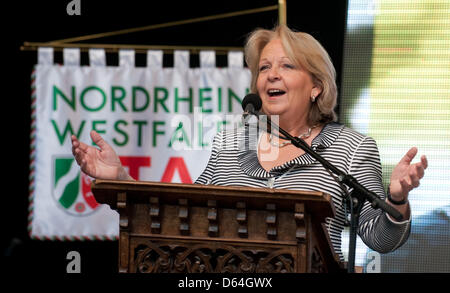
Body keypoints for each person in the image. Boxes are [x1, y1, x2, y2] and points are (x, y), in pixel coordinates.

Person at [71, 25, 428, 261]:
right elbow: (182, 214)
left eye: (287, 66)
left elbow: (380, 239)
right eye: (263, 68)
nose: (271, 74)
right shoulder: (232, 139)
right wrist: (120, 179)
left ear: (316, 85)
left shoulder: (351, 147)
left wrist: (396, 198)